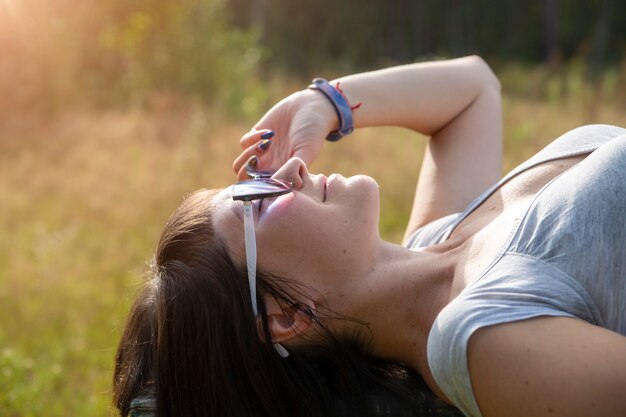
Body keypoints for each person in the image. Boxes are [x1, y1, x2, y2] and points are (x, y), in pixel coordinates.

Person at [113, 56, 626, 417]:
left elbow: (473, 89)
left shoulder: (435, 238)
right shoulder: (478, 338)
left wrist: (326, 102)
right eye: (258, 200)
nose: (290, 168)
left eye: (256, 176)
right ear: (287, 317)